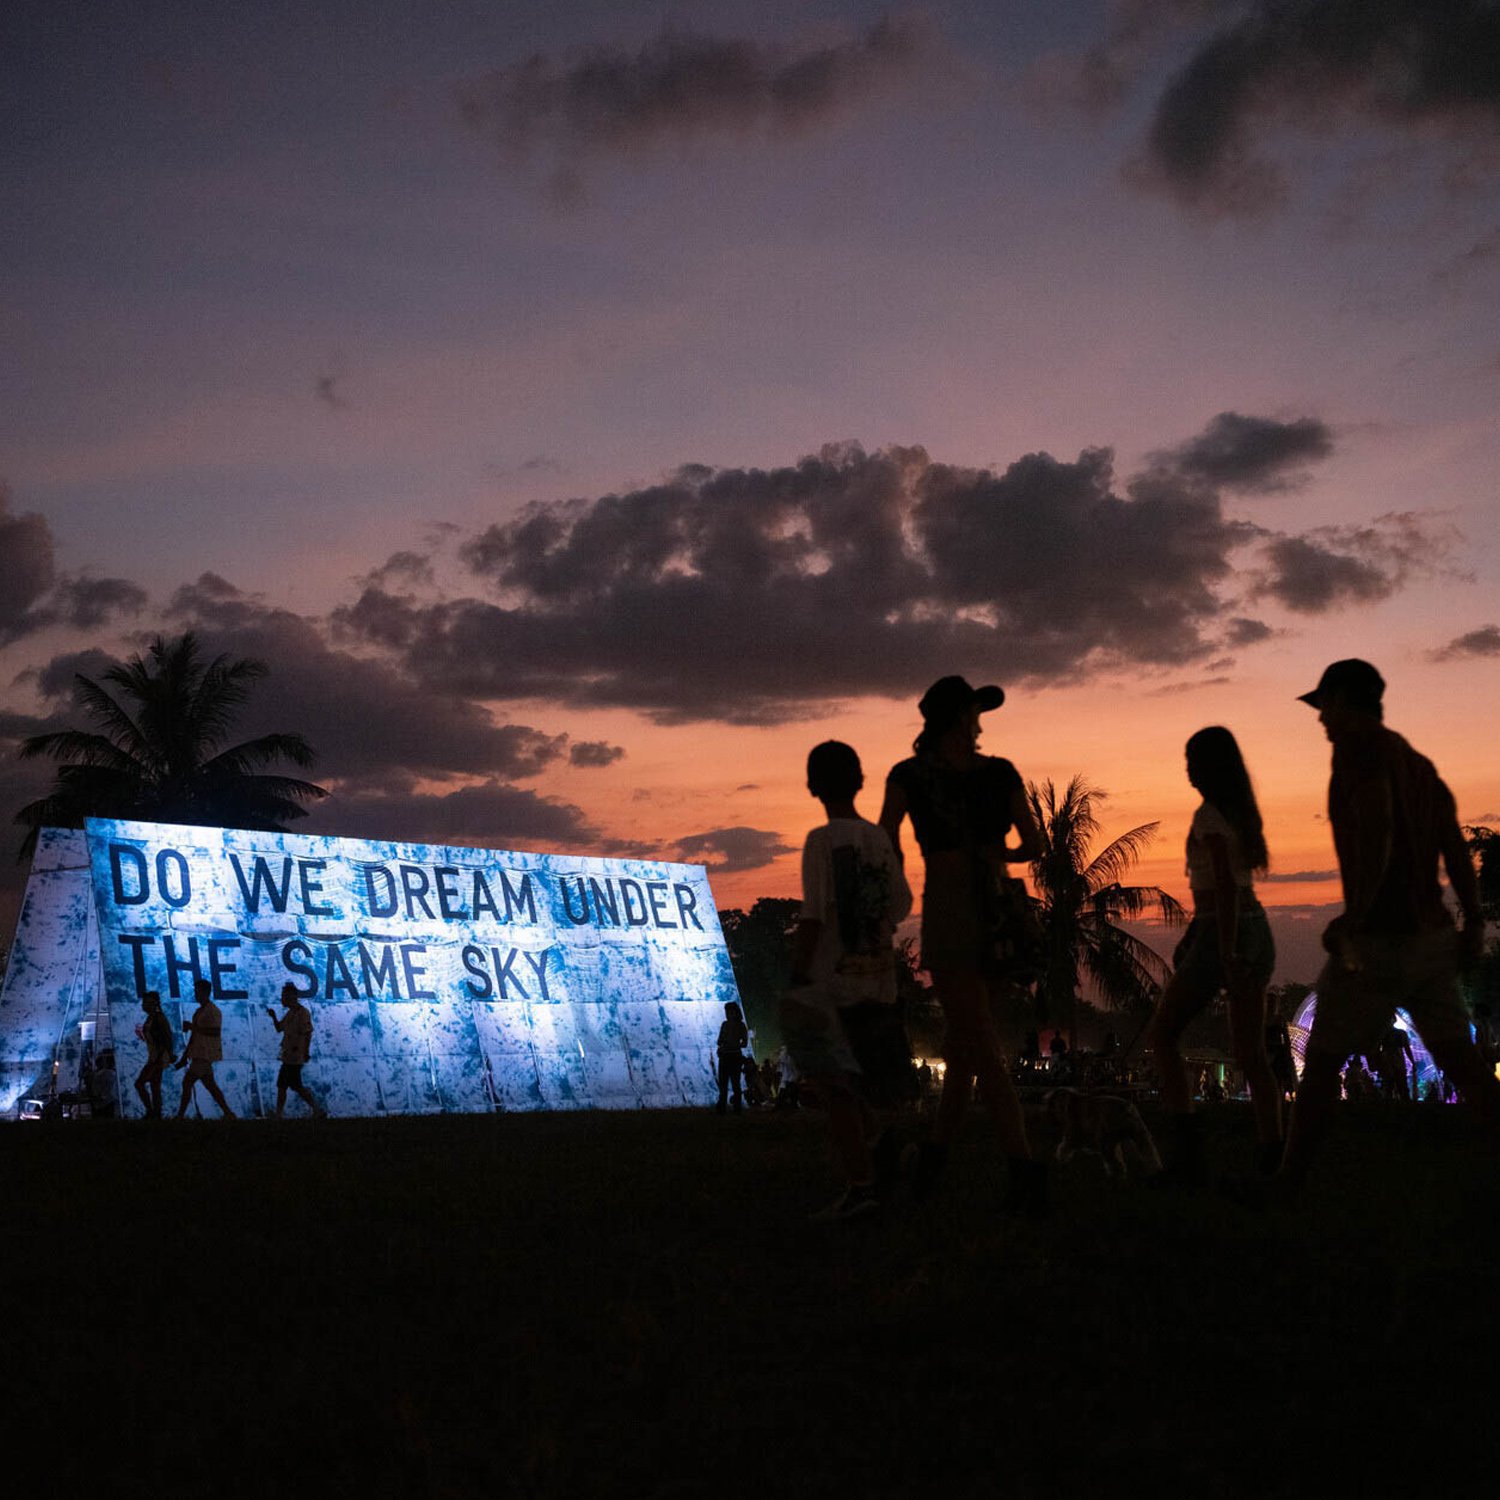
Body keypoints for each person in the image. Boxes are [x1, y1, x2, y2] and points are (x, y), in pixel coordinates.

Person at [1277, 660, 1498, 1191]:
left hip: (1379, 939)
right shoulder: (1418, 765)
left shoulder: (1357, 752)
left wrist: (1356, 917)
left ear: (1345, 702)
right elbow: (1452, 844)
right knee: (1464, 1065)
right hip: (1431, 937)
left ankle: (1288, 1181)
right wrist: (1470, 920)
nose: (1321, 719)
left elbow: (1377, 828)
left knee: (1322, 1060)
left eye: (1326, 706)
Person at [879, 675, 1046, 1211]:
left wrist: (895, 888)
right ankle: (953, 1163)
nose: (980, 722)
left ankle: (1011, 1168)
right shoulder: (999, 773)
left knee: (973, 1043)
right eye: (975, 711)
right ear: (959, 717)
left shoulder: (909, 774)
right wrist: (996, 856)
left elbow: (887, 839)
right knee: (972, 1041)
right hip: (994, 909)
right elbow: (1034, 843)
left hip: (953, 907)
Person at [781, 740, 913, 1220]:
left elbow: (814, 916)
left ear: (812, 786)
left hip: (833, 984)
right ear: (860, 781)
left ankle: (861, 1183)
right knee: (856, 1082)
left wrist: (799, 976)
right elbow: (900, 905)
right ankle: (880, 1146)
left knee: (834, 1086)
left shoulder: (820, 841)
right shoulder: (878, 838)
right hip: (878, 979)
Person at [1146, 727, 1282, 1181]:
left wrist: (1222, 948)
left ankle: (1187, 1149)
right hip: (1253, 926)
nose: (1187, 769)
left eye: (1193, 761)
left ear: (1209, 767)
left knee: (1164, 1033)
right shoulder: (1238, 815)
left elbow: (1222, 883)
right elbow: (1224, 884)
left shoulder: (1208, 816)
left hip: (1226, 930)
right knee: (1251, 1052)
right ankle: (1273, 1153)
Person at [175, 979, 235, 1119]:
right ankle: (228, 1113)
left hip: (205, 1053)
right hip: (199, 1053)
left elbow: (215, 1032)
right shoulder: (199, 1011)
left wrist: (192, 1027)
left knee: (187, 1082)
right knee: (211, 1086)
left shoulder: (213, 1011)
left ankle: (180, 1115)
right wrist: (185, 1056)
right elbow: (194, 1036)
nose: (195, 994)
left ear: (205, 992)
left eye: (197, 991)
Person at [266, 982, 324, 1118]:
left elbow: (307, 1033)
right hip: (288, 1055)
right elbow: (279, 1028)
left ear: (291, 997)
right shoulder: (290, 1013)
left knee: (289, 1085)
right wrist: (273, 1017)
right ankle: (281, 1113)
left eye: (284, 996)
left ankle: (316, 1110)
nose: (282, 999)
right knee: (288, 1085)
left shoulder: (302, 1013)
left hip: (295, 1056)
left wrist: (305, 1052)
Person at [134, 991, 174, 1118]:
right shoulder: (151, 1018)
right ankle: (156, 1113)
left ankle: (151, 1111)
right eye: (144, 1003)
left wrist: (164, 1055)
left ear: (154, 1003)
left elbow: (166, 1038)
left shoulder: (159, 1018)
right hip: (154, 1056)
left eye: (147, 1003)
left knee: (140, 1083)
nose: (144, 1005)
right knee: (154, 1086)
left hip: (158, 1057)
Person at [715, 1002, 748, 1113]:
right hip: (725, 1055)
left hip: (734, 1056)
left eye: (730, 1011)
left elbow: (745, 1043)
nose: (728, 1014)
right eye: (727, 1012)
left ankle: (736, 1108)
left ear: (735, 1012)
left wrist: (733, 1044)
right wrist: (723, 1044)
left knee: (735, 1083)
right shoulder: (724, 1024)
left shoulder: (741, 1025)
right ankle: (722, 1107)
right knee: (723, 1083)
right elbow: (719, 1040)